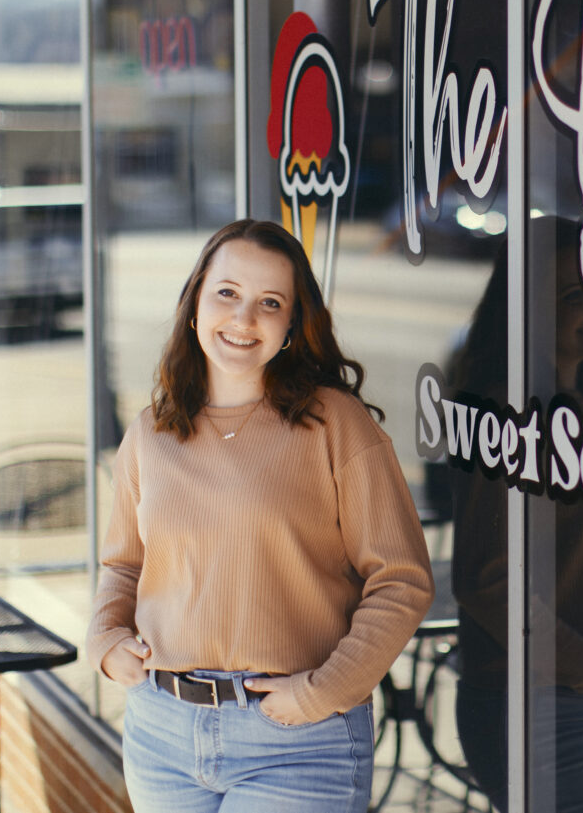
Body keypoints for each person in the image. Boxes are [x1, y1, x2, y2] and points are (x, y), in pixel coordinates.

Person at [86, 219, 434, 813]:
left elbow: (402, 580)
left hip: (295, 740)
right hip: (161, 734)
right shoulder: (151, 432)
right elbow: (123, 565)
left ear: (293, 325)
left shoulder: (335, 424)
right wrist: (105, 638)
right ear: (195, 302)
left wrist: (326, 690)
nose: (244, 318)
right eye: (227, 292)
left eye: (270, 303)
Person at [449, 218, 583, 813]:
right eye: (573, 296)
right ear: (526, 308)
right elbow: (484, 580)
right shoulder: (514, 417)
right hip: (549, 703)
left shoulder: (569, 403)